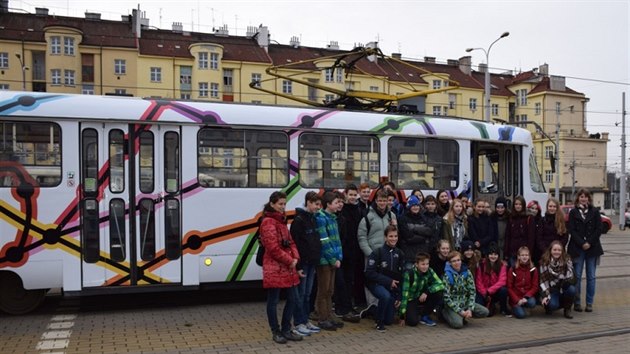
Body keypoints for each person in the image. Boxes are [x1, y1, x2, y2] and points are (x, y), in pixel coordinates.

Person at [260, 191, 303, 344]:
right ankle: (276, 330)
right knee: (273, 300)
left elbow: (290, 241)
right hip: (275, 267)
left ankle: (286, 328)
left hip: (287, 266)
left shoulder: (281, 220)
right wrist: (290, 260)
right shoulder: (268, 222)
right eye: (280, 204)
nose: (283, 207)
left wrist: (295, 257)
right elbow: (272, 248)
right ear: (272, 204)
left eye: (284, 204)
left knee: (293, 298)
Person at [290, 191, 322, 336]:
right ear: (308, 202)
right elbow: (296, 244)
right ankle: (298, 322)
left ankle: (305, 320)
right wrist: (297, 266)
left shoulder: (312, 218)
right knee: (301, 294)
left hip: (311, 262)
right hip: (303, 263)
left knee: (307, 294)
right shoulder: (299, 221)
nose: (318, 207)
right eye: (316, 204)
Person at [567, 188, 603, 313]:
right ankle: (577, 302)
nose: (583, 198)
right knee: (577, 276)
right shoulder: (573, 212)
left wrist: (589, 242)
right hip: (577, 248)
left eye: (585, 196)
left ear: (589, 198)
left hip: (592, 248)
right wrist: (582, 243)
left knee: (591, 276)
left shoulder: (595, 211)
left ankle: (589, 303)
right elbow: (571, 230)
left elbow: (599, 229)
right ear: (578, 198)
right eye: (581, 196)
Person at [365, 225, 404, 332]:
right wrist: (388, 281)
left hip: (390, 287)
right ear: (385, 237)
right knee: (385, 296)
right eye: (390, 236)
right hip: (376, 284)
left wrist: (399, 296)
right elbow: (369, 273)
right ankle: (378, 323)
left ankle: (373, 311)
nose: (393, 239)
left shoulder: (399, 253)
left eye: (395, 236)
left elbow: (401, 277)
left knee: (389, 321)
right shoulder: (377, 252)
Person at [314, 191, 344, 331]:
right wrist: (333, 258)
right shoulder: (321, 218)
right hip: (325, 260)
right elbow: (324, 241)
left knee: (330, 290)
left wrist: (338, 256)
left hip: (333, 259)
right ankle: (322, 318)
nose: (339, 205)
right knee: (323, 290)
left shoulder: (333, 217)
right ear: (328, 204)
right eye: (336, 202)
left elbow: (336, 240)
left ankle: (329, 316)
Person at [441, 250, 489, 329]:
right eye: (454, 261)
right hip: (453, 305)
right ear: (450, 263)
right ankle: (446, 313)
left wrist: (470, 309)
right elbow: (446, 297)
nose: (457, 263)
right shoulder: (447, 275)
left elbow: (472, 291)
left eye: (458, 260)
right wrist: (460, 311)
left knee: (485, 312)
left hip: (465, 303)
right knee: (458, 324)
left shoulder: (467, 272)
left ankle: (464, 315)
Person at [334, 189, 361, 323]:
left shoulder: (358, 209)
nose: (352, 197)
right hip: (340, 252)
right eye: (350, 195)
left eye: (354, 195)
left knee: (349, 280)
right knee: (340, 281)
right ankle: (341, 307)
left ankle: (348, 306)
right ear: (346, 195)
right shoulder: (339, 214)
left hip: (352, 251)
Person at [398, 252, 444, 327]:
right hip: (411, 299)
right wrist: (402, 315)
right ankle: (410, 312)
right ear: (416, 264)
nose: (425, 266)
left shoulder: (430, 271)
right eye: (423, 264)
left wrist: (427, 292)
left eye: (427, 264)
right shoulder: (409, 274)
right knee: (413, 322)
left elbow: (440, 284)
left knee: (438, 293)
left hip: (422, 297)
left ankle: (424, 315)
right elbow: (405, 295)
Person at [539, 240, 576, 319]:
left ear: (562, 251)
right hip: (552, 289)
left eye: (559, 250)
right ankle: (549, 306)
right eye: (554, 250)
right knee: (552, 305)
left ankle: (567, 309)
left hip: (563, 287)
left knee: (572, 289)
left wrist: (565, 283)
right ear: (550, 250)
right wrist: (545, 295)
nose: (557, 252)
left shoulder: (567, 261)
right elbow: (542, 281)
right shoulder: (544, 262)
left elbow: (572, 277)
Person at [398, 195, 433, 271]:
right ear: (409, 207)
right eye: (413, 205)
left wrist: (414, 229)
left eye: (417, 205)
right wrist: (423, 237)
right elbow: (408, 237)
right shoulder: (402, 219)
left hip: (422, 255)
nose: (415, 207)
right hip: (409, 256)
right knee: (409, 278)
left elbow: (429, 232)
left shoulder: (424, 218)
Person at [358, 190, 397, 258]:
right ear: (376, 201)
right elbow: (362, 237)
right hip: (372, 255)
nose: (382, 203)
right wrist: (370, 254)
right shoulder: (368, 217)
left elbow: (395, 235)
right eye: (380, 200)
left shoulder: (392, 216)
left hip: (388, 254)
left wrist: (395, 226)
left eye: (384, 201)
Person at [475, 243, 509, 317]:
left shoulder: (502, 265)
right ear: (487, 255)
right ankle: (490, 305)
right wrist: (484, 292)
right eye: (491, 254)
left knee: (504, 290)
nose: (493, 256)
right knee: (479, 309)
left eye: (495, 254)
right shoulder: (481, 264)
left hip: (494, 292)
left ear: (498, 255)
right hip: (483, 292)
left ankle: (503, 309)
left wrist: (489, 291)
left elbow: (502, 281)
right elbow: (478, 281)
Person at [507, 246, 539, 319]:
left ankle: (524, 307)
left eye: (526, 255)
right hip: (516, 297)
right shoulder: (513, 269)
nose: (524, 257)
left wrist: (526, 297)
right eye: (522, 255)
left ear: (529, 256)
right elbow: (509, 287)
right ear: (518, 257)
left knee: (532, 303)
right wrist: (517, 300)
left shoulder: (533, 269)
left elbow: (535, 286)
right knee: (521, 315)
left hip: (526, 296)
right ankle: (515, 308)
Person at [504, 196, 534, 268]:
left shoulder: (529, 218)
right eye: (516, 204)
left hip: (524, 252)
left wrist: (529, 251)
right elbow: (508, 235)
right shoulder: (511, 218)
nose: (518, 206)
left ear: (523, 205)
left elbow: (531, 237)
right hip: (512, 252)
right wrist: (506, 253)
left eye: (520, 204)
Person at [536, 198, 568, 264]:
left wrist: (557, 249)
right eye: (550, 206)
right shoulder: (542, 220)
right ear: (547, 207)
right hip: (545, 252)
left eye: (554, 206)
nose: (552, 208)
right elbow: (539, 238)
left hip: (558, 253)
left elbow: (565, 237)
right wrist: (546, 250)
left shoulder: (562, 221)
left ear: (557, 208)